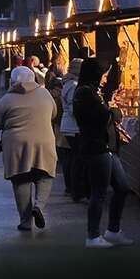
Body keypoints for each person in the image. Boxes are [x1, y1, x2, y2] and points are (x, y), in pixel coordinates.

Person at [73, 57, 135, 248]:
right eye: (104, 75)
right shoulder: (85, 93)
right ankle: (92, 236)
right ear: (96, 74)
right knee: (99, 192)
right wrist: (114, 111)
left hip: (107, 148)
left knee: (123, 187)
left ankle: (113, 230)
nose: (106, 79)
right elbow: (100, 117)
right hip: (96, 147)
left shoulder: (93, 92)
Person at [0, 65, 59, 232]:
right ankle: (39, 207)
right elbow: (54, 113)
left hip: (16, 145)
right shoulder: (45, 93)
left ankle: (26, 222)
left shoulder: (7, 98)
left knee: (21, 180)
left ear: (13, 81)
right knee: (45, 175)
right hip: (44, 142)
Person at [58, 57, 87, 201]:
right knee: (77, 158)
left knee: (74, 157)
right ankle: (75, 189)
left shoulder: (68, 83)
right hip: (73, 127)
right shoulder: (74, 85)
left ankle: (73, 188)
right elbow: (72, 107)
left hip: (69, 126)